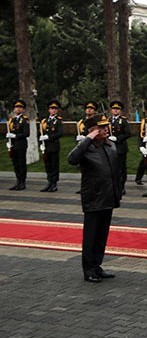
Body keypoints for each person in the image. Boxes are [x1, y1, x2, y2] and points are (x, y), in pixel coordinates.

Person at [67, 112, 122, 282]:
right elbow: (72, 159)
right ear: (92, 130)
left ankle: (97, 266)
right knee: (90, 237)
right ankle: (88, 270)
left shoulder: (110, 145)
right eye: (101, 127)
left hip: (108, 196)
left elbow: (116, 171)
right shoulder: (86, 147)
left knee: (101, 236)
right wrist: (87, 139)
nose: (106, 129)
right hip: (93, 197)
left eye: (106, 126)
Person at [39, 100, 64, 192]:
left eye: (55, 109)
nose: (53, 110)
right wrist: (40, 143)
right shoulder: (44, 121)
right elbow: (40, 134)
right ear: (48, 110)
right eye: (51, 108)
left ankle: (54, 183)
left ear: (57, 110)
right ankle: (49, 182)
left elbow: (60, 133)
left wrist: (48, 137)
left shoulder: (58, 121)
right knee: (47, 165)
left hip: (54, 146)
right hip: (46, 147)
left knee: (54, 165)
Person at [108, 100, 131, 195]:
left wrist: (117, 139)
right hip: (110, 147)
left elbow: (128, 133)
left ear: (120, 111)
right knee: (111, 167)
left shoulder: (123, 121)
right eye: (114, 109)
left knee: (121, 168)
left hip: (120, 147)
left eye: (117, 109)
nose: (115, 111)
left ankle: (121, 187)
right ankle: (113, 186)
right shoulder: (108, 120)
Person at [6, 99, 30, 190]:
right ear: (14, 109)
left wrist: (15, 135)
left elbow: (26, 133)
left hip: (21, 145)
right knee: (15, 164)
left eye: (20, 107)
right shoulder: (12, 120)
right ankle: (18, 181)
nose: (18, 109)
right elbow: (9, 132)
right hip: (13, 145)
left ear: (23, 110)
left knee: (21, 164)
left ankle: (22, 182)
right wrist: (8, 141)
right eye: (16, 107)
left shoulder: (24, 120)